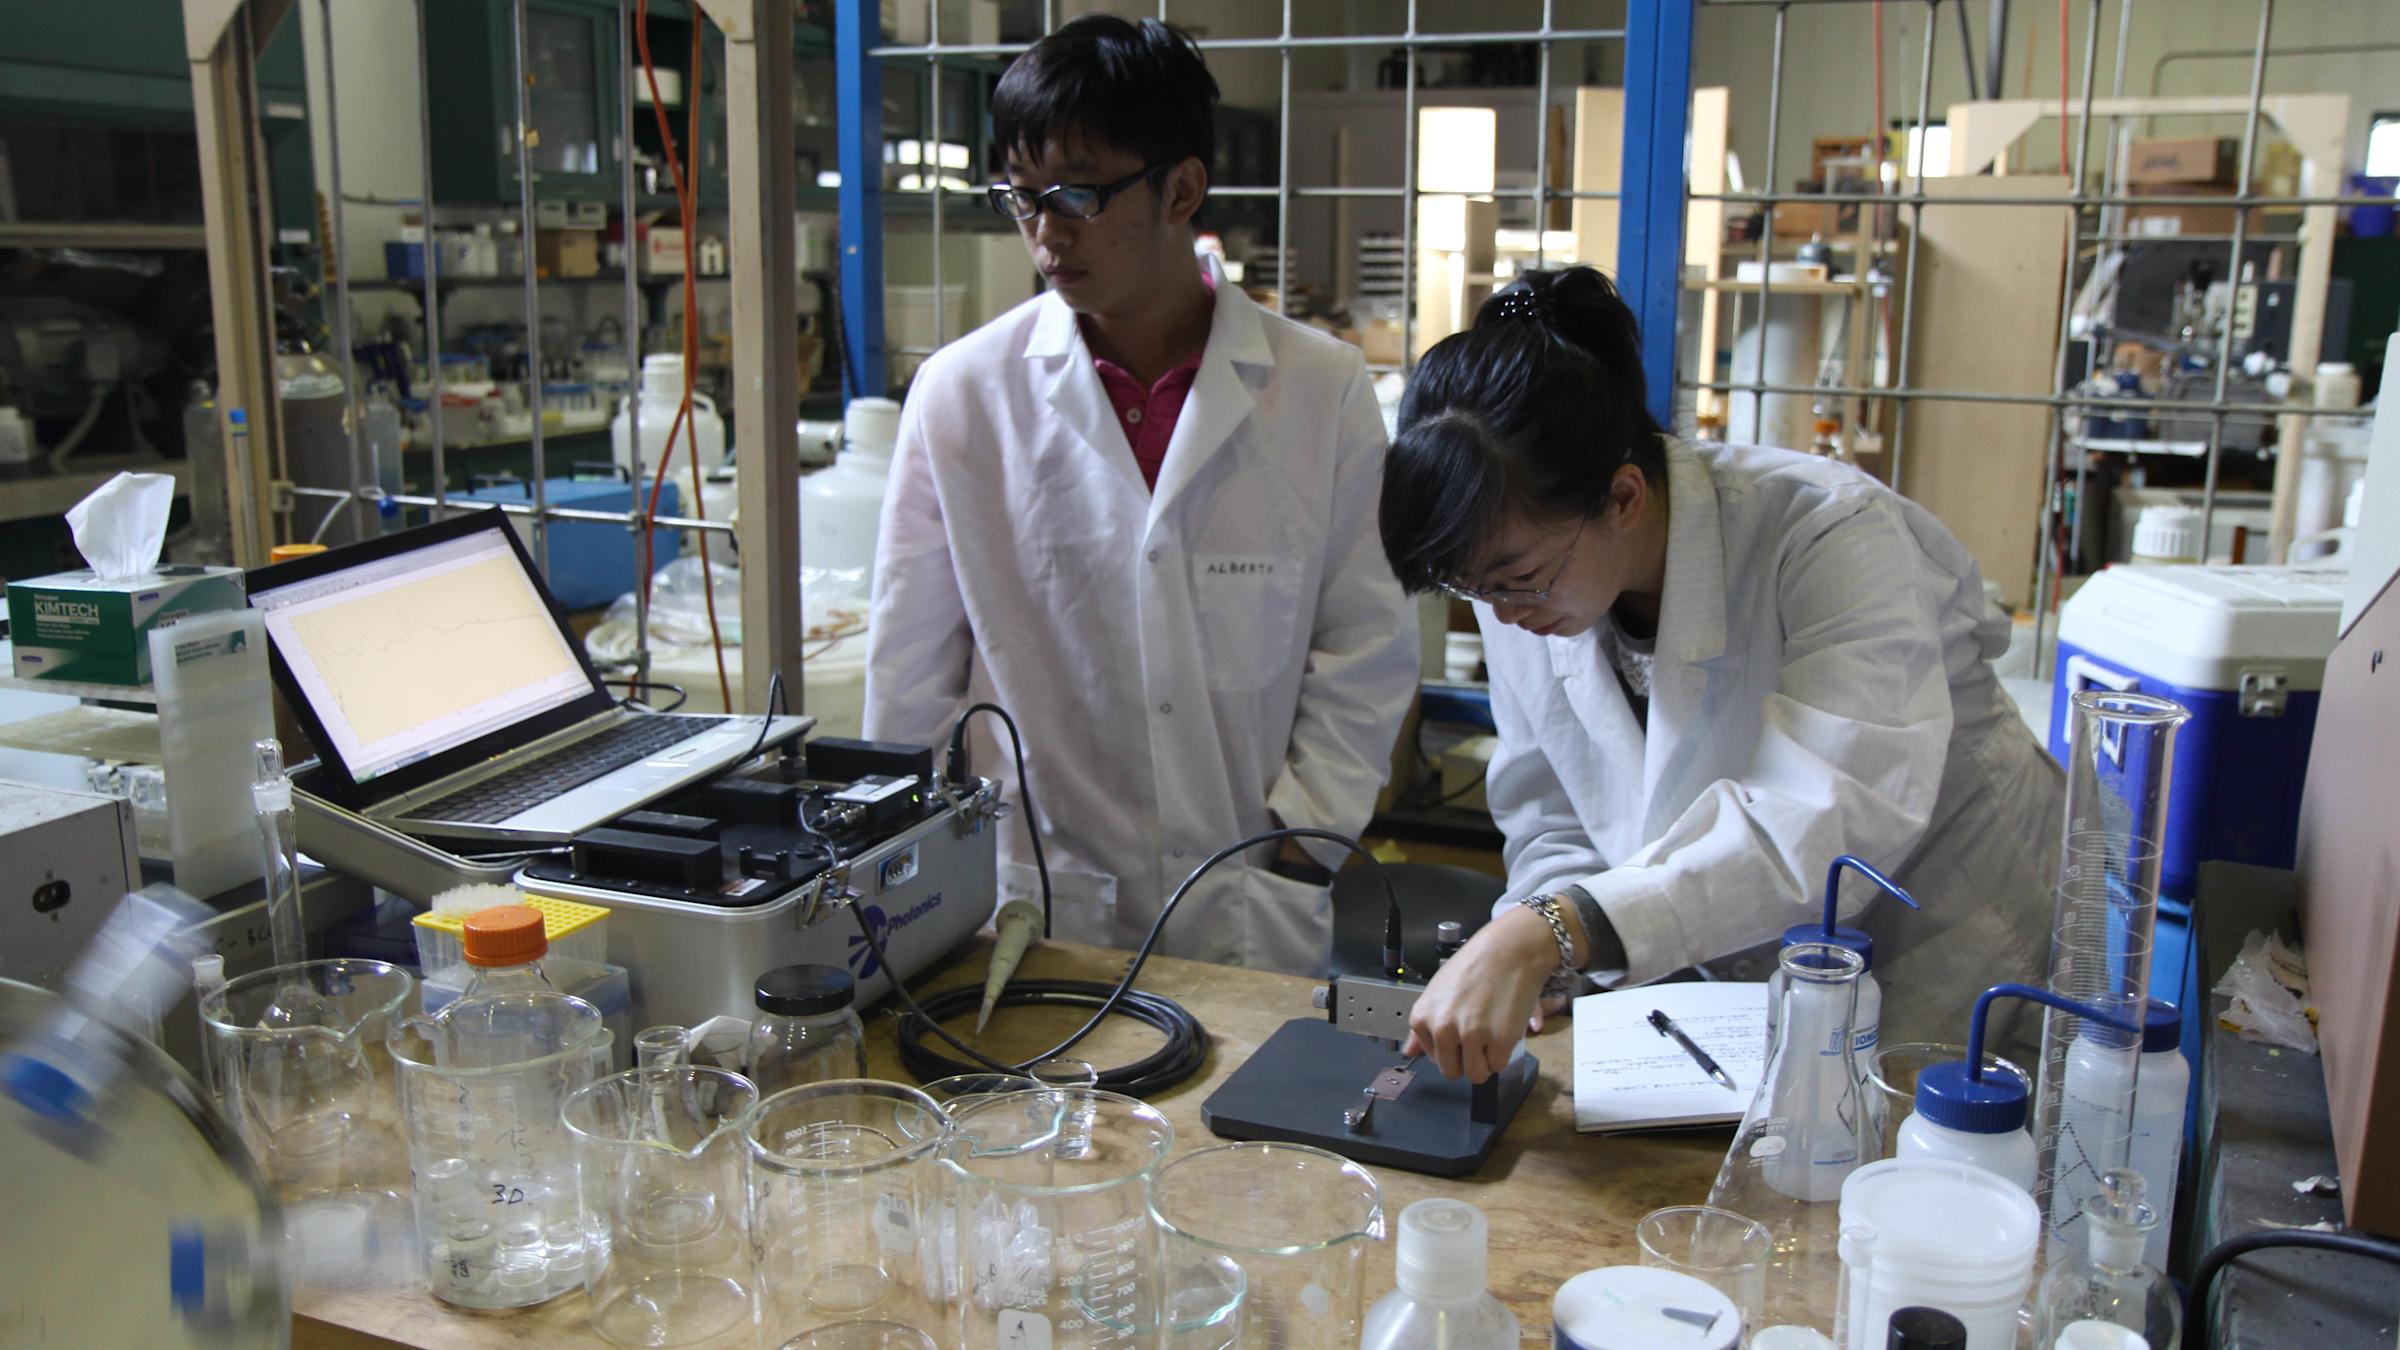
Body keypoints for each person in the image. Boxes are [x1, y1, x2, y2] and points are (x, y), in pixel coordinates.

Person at [1380, 267, 2061, 1082]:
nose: (1500, 611)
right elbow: (1555, 813)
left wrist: (1556, 929)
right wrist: (1545, 941)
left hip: (1944, 932)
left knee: (1903, 1165)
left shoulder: (1829, 534)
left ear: (1623, 497)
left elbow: (1819, 819)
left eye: (1513, 577)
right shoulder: (1532, 578)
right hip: (1740, 971)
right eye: (1472, 588)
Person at [863, 15, 1417, 976]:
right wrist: (908, 889)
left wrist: (1303, 839)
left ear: (1183, 189)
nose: (1046, 230)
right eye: (1023, 196)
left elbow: (1365, 641)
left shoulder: (1319, 387)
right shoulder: (962, 396)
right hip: (1037, 896)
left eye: (1078, 192)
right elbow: (910, 674)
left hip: (1256, 885)